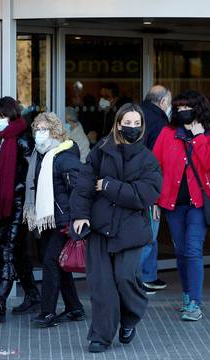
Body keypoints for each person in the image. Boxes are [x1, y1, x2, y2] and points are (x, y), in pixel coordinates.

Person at [71, 103, 162, 353]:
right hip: (100, 227)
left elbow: (146, 194)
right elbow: (85, 184)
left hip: (131, 230)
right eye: (127, 123)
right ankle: (101, 335)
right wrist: (79, 214)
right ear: (118, 123)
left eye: (136, 124)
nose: (131, 128)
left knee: (124, 278)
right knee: (101, 285)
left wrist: (110, 186)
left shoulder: (148, 158)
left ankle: (130, 317)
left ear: (142, 127)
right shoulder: (101, 150)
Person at [153, 90, 210, 321]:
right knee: (181, 252)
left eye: (187, 108)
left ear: (199, 108)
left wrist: (199, 136)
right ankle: (186, 295)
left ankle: (195, 302)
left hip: (198, 204)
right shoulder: (167, 133)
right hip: (173, 204)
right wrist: (154, 200)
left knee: (193, 250)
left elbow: (209, 163)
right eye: (179, 108)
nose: (183, 112)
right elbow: (155, 168)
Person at [0, 96, 41, 324]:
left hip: (17, 206)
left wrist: (24, 199)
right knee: (17, 253)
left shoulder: (22, 140)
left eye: (2, 116)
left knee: (6, 251)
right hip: (2, 205)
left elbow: (31, 175)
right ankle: (33, 295)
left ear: (13, 115)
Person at [24, 112, 85, 328]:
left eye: (44, 129)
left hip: (64, 219)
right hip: (52, 219)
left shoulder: (63, 156)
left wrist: (76, 219)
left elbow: (79, 189)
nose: (39, 133)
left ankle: (47, 312)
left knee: (51, 261)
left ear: (56, 131)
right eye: (37, 129)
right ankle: (75, 307)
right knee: (59, 262)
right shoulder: (41, 154)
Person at [139, 85, 172, 294]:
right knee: (149, 232)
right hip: (149, 186)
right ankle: (137, 278)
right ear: (162, 102)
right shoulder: (160, 122)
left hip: (137, 184)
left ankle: (148, 275)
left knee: (150, 230)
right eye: (169, 103)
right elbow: (160, 160)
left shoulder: (135, 114)